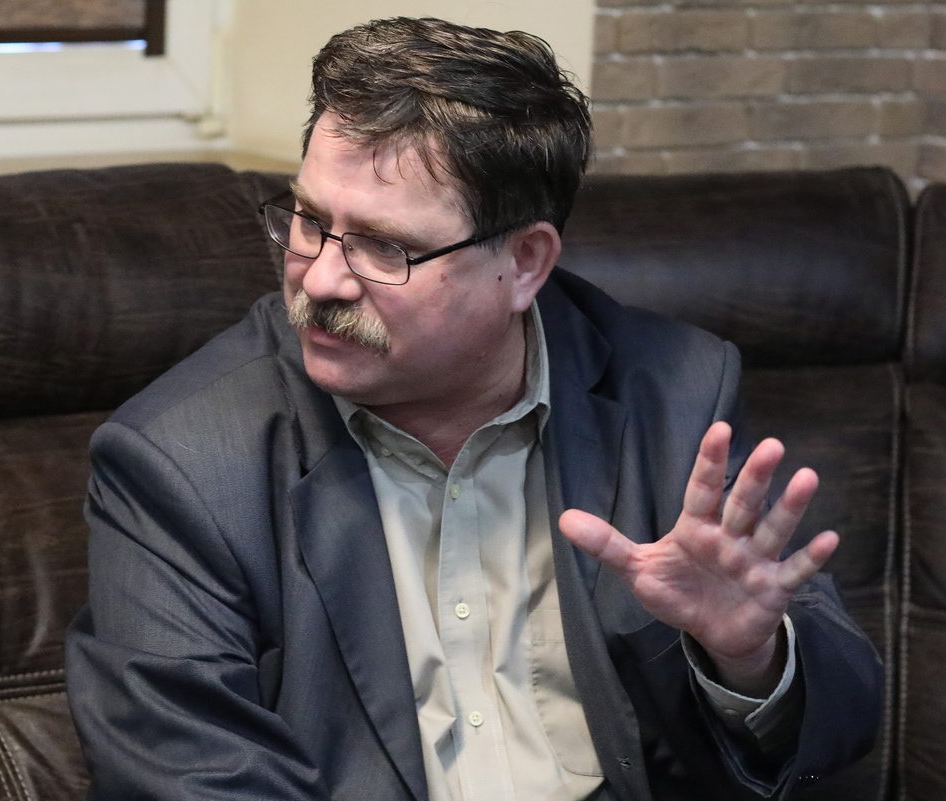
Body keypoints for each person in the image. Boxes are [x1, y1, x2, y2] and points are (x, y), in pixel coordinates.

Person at [66, 16, 882, 801]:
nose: (320, 279)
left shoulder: (673, 394)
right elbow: (185, 774)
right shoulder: (180, 460)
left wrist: (750, 660)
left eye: (385, 245)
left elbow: (843, 722)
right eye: (310, 221)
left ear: (525, 262)